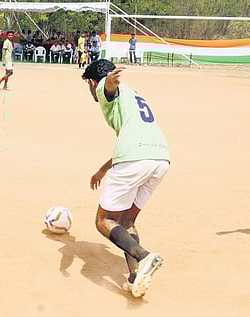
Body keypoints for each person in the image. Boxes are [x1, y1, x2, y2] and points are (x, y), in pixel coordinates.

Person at [81, 59, 170, 298]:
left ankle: (145, 256)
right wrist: (103, 168)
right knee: (127, 220)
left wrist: (108, 81)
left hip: (135, 158)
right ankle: (135, 275)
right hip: (160, 157)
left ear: (91, 82)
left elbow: (107, 88)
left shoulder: (104, 87)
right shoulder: (133, 94)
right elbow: (133, 138)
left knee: (104, 221)